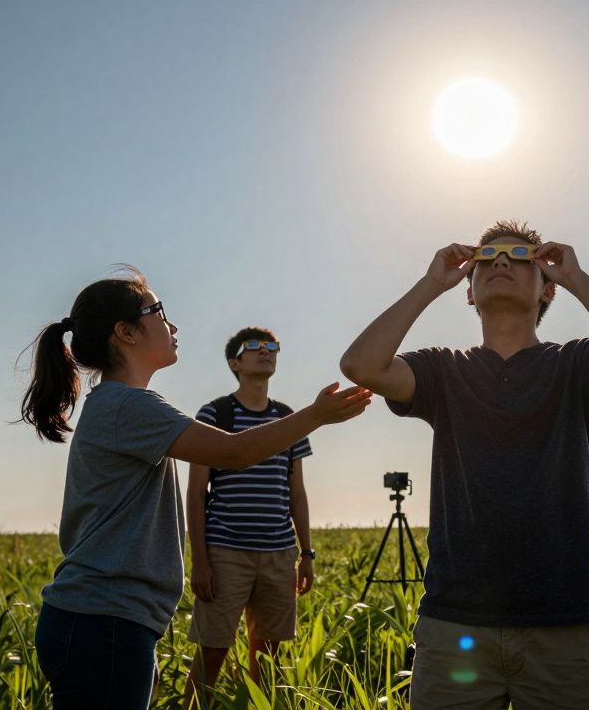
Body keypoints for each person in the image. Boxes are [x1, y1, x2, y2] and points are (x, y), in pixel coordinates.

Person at [339, 220, 589, 710]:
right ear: (469, 290)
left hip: (564, 623)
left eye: (519, 257)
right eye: (487, 258)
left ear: (546, 290)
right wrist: (430, 284)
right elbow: (361, 366)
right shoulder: (444, 368)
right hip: (455, 623)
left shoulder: (575, 363)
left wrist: (577, 279)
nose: (502, 262)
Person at [19, 267, 371, 709]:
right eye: (159, 313)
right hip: (103, 621)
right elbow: (232, 453)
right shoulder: (127, 405)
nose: (174, 326)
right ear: (126, 332)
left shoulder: (118, 404)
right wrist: (316, 415)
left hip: (102, 619)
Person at [184, 327, 317, 699]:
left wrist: (306, 554)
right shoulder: (215, 414)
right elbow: (195, 493)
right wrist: (200, 561)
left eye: (272, 346)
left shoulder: (289, 418)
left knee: (268, 657)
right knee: (211, 653)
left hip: (279, 554)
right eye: (254, 346)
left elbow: (297, 493)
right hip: (225, 553)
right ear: (234, 363)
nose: (266, 351)